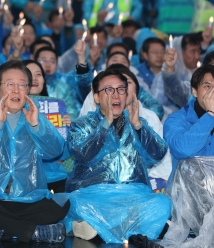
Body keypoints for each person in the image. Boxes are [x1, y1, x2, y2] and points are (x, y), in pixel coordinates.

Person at [0, 60, 70, 243]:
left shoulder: (35, 116)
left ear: (28, 90)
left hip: (29, 200)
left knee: (62, 204)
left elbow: (55, 150)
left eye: (22, 85)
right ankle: (31, 232)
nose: (16, 90)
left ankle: (1, 229)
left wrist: (36, 125)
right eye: (10, 84)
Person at [64, 68, 171, 244]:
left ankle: (97, 229)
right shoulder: (81, 125)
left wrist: (138, 127)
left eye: (121, 89)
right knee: (79, 204)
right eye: (108, 90)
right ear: (96, 97)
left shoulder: (137, 122)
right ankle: (133, 229)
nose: (116, 95)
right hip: (93, 195)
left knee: (161, 204)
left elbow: (157, 154)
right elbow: (84, 155)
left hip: (133, 195)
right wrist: (105, 125)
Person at [161, 64, 214, 247]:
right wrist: (211, 115)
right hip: (189, 202)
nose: (213, 92)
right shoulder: (177, 119)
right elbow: (183, 149)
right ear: (194, 90)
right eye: (208, 86)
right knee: (188, 165)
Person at [23, 59, 70, 193]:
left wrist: (68, 130)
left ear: (44, 80)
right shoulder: (13, 109)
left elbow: (64, 154)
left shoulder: (57, 107)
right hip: (24, 177)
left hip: (55, 175)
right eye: (28, 74)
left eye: (38, 74)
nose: (34, 78)